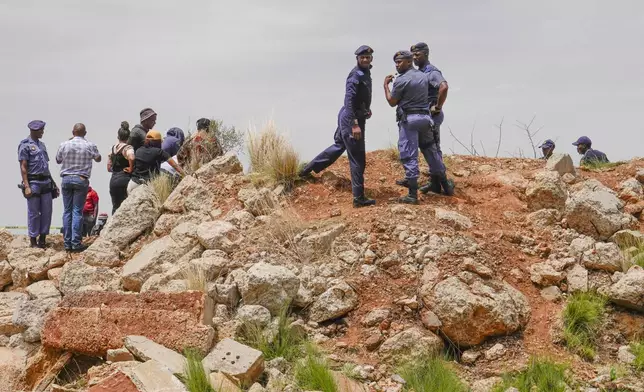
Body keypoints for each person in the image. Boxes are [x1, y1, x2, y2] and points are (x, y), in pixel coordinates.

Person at [298, 45, 376, 208]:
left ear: (371, 59)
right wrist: (354, 123)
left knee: (339, 145)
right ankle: (358, 198)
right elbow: (348, 100)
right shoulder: (356, 75)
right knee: (357, 157)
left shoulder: (366, 73)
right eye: (362, 57)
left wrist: (366, 110)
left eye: (367, 57)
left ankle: (307, 171)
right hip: (350, 118)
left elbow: (360, 98)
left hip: (352, 115)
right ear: (357, 59)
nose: (365, 59)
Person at [384, 50, 450, 204]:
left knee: (409, 153)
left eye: (400, 62)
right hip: (426, 119)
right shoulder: (423, 76)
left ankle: (412, 194)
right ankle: (446, 186)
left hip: (410, 120)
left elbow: (392, 102)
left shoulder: (401, 80)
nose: (397, 65)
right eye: (396, 62)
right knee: (430, 150)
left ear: (409, 62)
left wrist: (385, 86)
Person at [410, 42, 454, 196]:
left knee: (433, 148)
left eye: (418, 54)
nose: (415, 57)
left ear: (426, 54)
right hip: (424, 115)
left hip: (432, 115)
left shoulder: (431, 71)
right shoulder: (420, 72)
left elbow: (444, 87)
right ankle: (435, 184)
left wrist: (438, 106)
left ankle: (445, 185)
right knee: (428, 148)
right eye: (413, 55)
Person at [56, 123, 101, 252]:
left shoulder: (64, 144)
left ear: (72, 132)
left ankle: (67, 242)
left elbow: (58, 160)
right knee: (77, 211)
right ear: (85, 133)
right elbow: (98, 158)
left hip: (66, 179)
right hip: (81, 179)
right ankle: (76, 243)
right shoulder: (89, 145)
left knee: (67, 210)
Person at [18, 120, 58, 248]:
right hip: (33, 182)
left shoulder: (42, 145)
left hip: (46, 181)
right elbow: (23, 167)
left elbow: (46, 166)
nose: (42, 132)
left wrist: (54, 183)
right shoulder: (25, 145)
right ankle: (33, 241)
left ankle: (43, 239)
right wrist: (27, 186)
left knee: (47, 211)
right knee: (34, 212)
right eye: (40, 130)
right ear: (34, 130)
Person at [107, 121, 134, 213]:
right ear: (128, 137)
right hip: (124, 178)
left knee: (115, 206)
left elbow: (108, 166)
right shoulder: (128, 148)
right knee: (125, 206)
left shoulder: (113, 148)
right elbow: (131, 157)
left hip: (113, 179)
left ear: (118, 137)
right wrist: (131, 168)